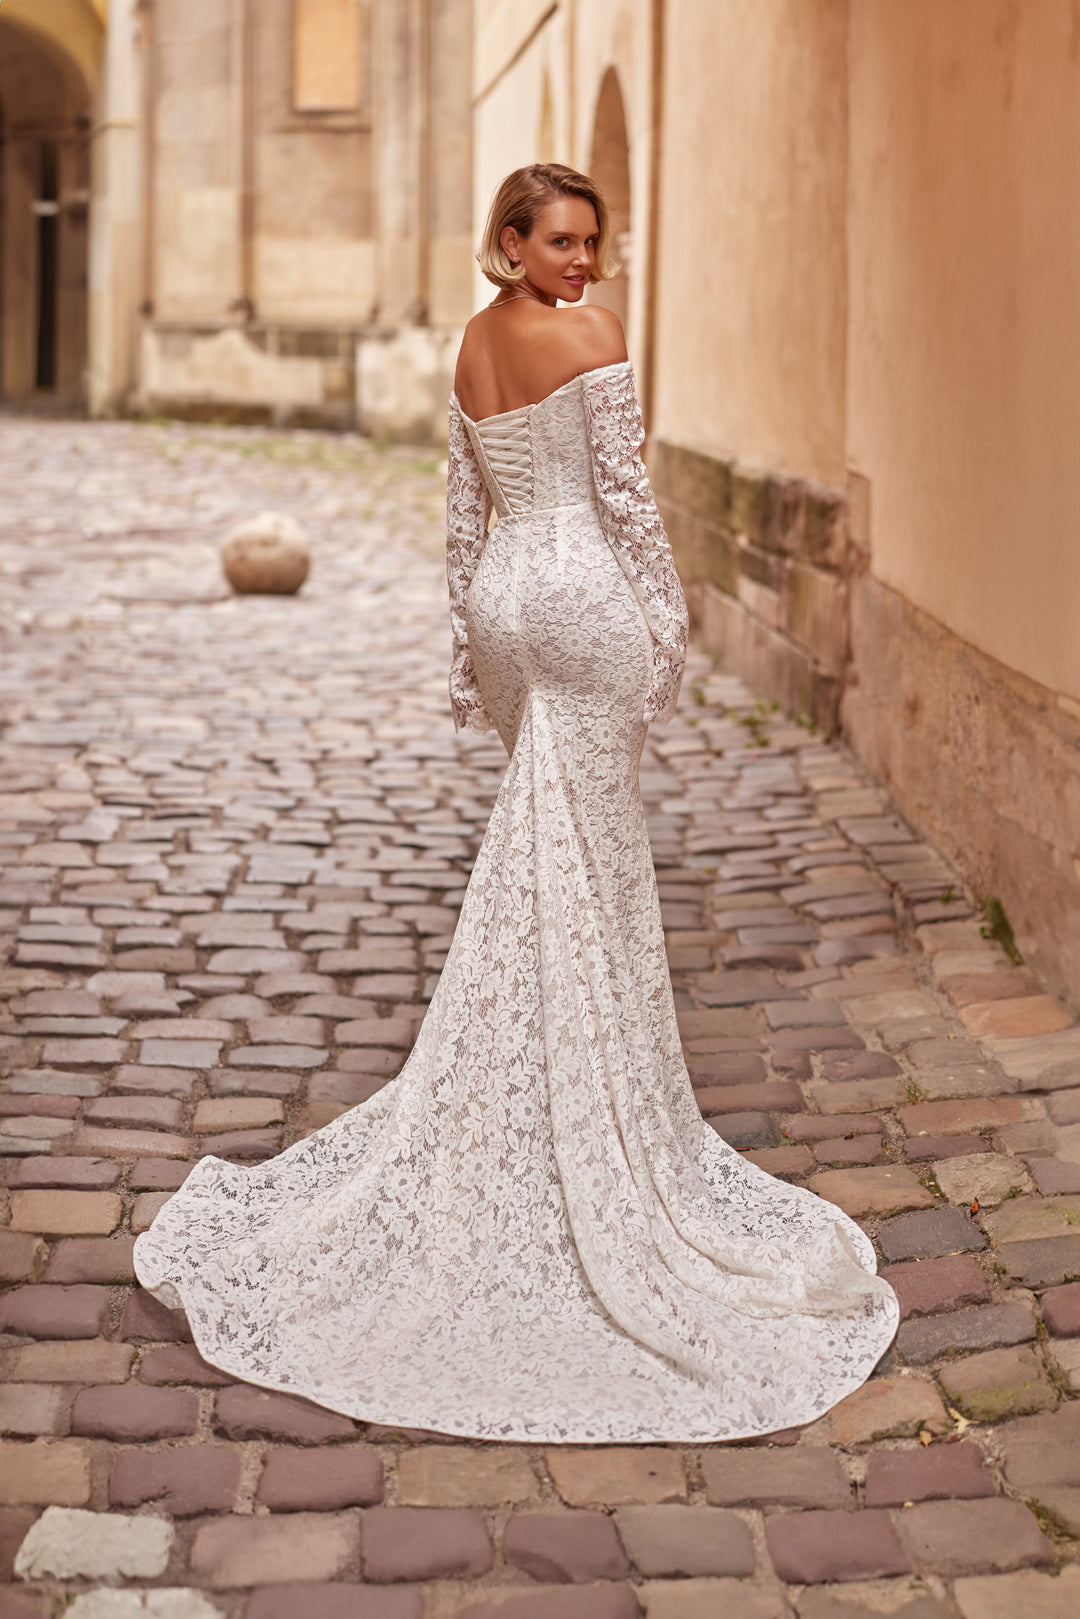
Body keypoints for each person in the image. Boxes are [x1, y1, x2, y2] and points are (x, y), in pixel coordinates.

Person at [135, 164, 898, 1443]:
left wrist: (470, 644)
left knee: (547, 854)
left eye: (592, 241)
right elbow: (629, 507)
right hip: (585, 600)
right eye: (560, 240)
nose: (583, 261)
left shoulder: (472, 344)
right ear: (510, 241)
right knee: (591, 862)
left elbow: (463, 509)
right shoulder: (591, 337)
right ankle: (588, 1123)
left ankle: (535, 1092)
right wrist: (667, 628)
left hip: (504, 600)